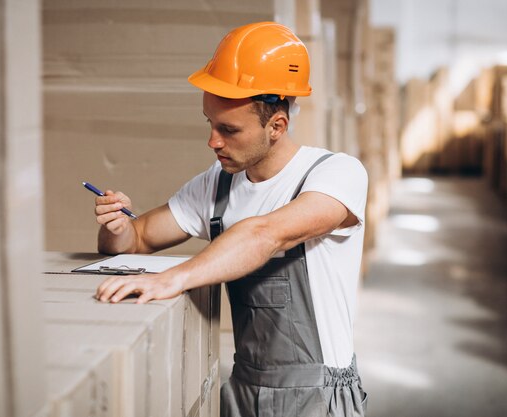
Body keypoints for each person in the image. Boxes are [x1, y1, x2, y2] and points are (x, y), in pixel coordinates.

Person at [94, 21, 368, 417]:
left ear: (277, 126)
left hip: (317, 397)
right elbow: (137, 238)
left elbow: (266, 235)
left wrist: (174, 277)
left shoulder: (335, 175)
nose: (213, 141)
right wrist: (115, 228)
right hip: (242, 389)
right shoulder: (217, 186)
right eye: (210, 124)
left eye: (229, 129)